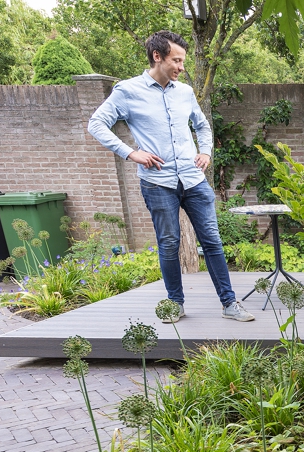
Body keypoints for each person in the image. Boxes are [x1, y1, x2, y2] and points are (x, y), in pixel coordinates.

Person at [87, 29, 254, 323]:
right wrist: (131, 153)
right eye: (176, 60)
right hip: (157, 183)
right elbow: (97, 124)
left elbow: (202, 126)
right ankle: (175, 303)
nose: (180, 67)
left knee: (213, 241)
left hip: (193, 179)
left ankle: (230, 303)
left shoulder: (186, 93)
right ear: (157, 56)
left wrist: (205, 152)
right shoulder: (127, 91)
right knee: (168, 243)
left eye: (183, 62)